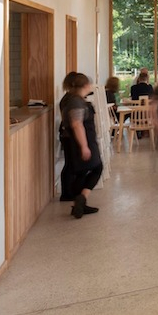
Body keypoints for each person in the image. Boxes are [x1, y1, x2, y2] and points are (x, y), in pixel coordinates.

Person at [58, 72, 103, 219]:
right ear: (84, 85)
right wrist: (84, 146)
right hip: (80, 139)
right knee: (96, 167)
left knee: (79, 170)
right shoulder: (76, 102)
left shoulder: (68, 99)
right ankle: (81, 199)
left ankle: (78, 200)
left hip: (73, 139)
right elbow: (77, 124)